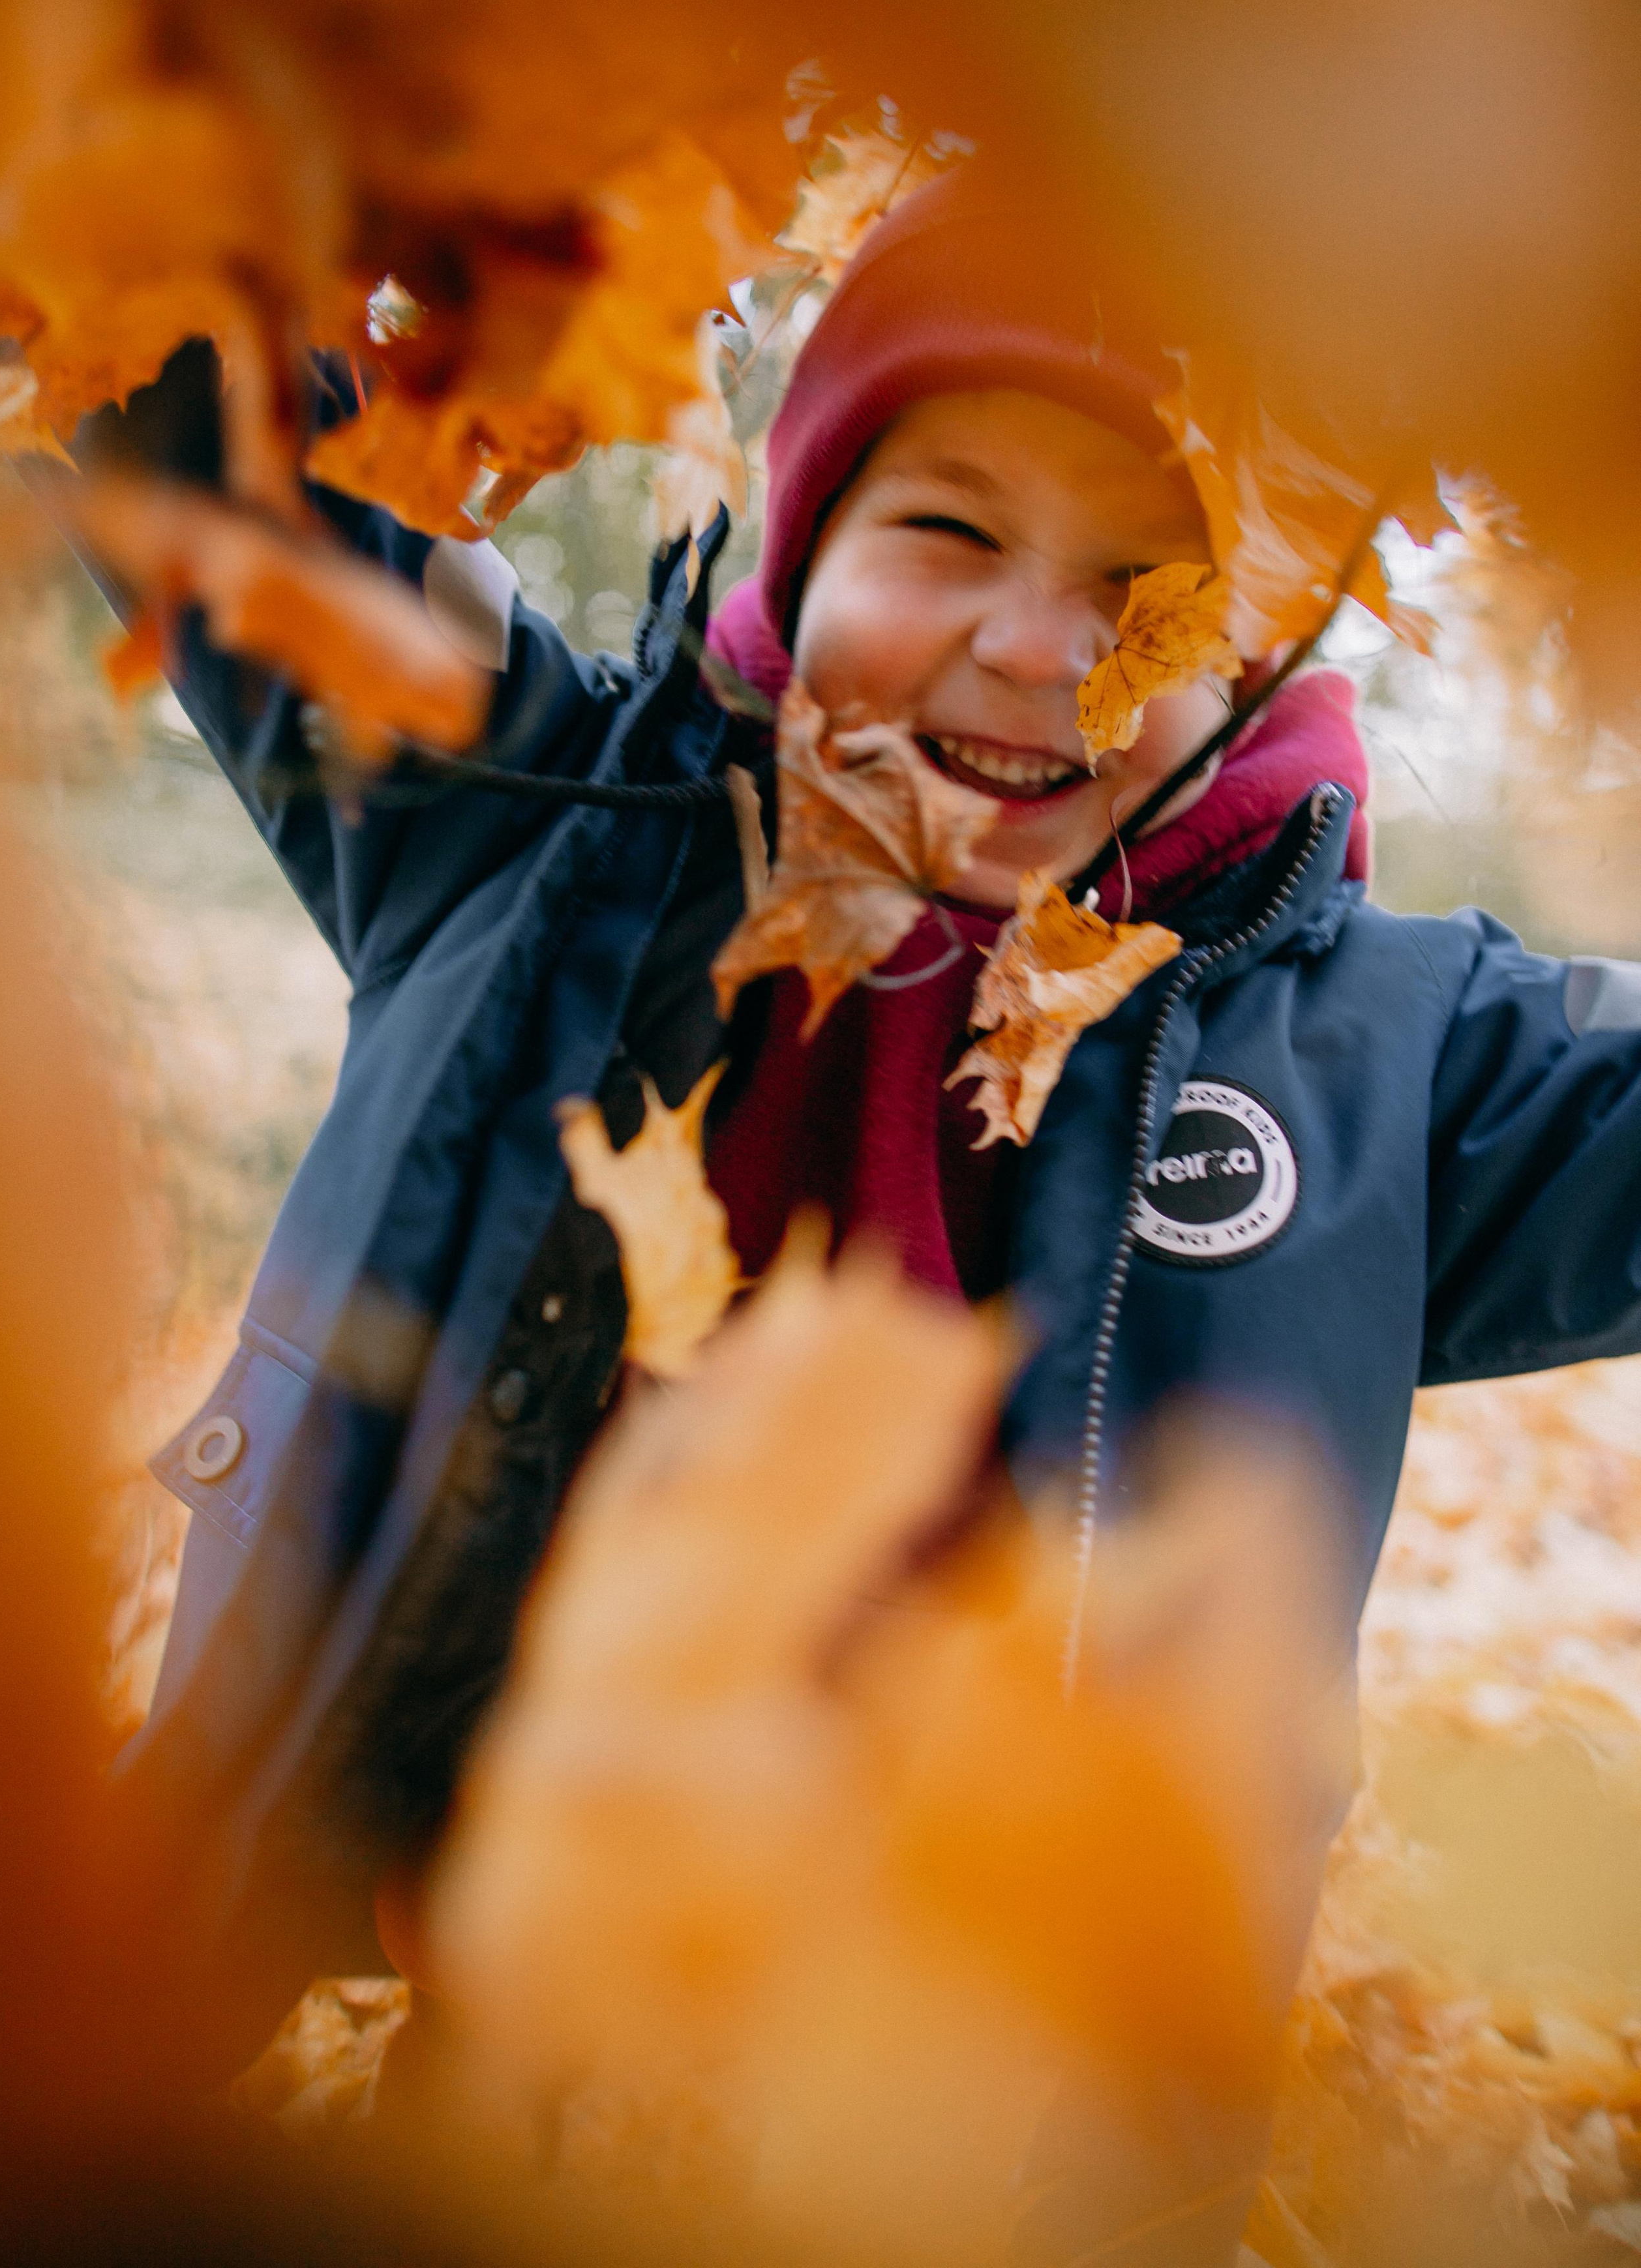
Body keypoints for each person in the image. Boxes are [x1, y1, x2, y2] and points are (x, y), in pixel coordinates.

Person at [97, 179, 1641, 2048]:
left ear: (1256, 645)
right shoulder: (552, 834)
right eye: (949, 529)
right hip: (517, 1996)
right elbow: (168, 361)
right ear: (803, 549)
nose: (1040, 646)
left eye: (1152, 594)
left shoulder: (1389, 1052)